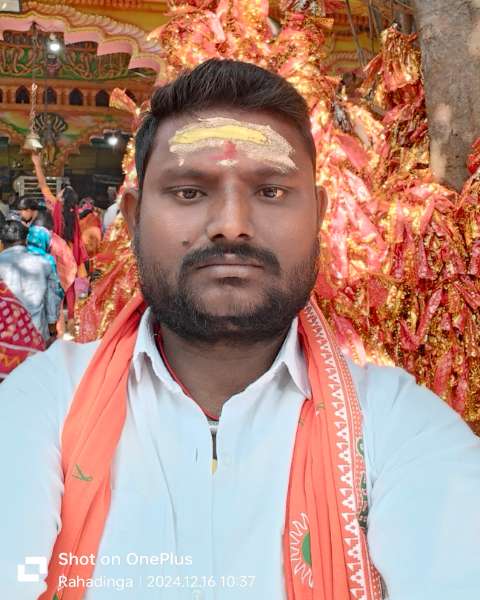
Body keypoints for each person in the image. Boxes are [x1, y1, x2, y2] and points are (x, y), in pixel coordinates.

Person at [1, 60, 479, 600]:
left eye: (271, 191)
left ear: (318, 216)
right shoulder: (47, 404)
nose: (231, 224)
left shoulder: (396, 425)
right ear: (132, 217)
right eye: (189, 192)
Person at [31, 153, 88, 324]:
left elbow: (43, 185)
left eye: (60, 192)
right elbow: (78, 238)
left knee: (56, 289)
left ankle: (55, 323)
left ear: (62, 198)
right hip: (72, 253)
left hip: (57, 253)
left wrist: (37, 165)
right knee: (70, 288)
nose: (58, 193)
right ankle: (71, 320)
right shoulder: (74, 215)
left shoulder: (55, 206)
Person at [0, 216, 61, 343]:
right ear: (26, 240)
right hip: (36, 333)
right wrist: (52, 329)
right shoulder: (44, 263)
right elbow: (52, 299)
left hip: (4, 337)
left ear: (1, 242)